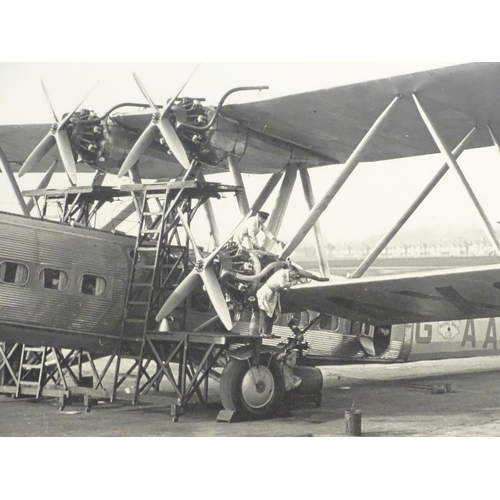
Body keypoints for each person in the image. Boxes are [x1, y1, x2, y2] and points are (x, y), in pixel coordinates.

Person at [250, 264, 328, 336]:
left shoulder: (285, 274)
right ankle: (264, 333)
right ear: (291, 271)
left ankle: (267, 332)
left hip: (271, 294)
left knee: (270, 314)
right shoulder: (282, 274)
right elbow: (282, 285)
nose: (295, 275)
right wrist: (294, 283)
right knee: (265, 313)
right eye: (294, 273)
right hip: (266, 293)